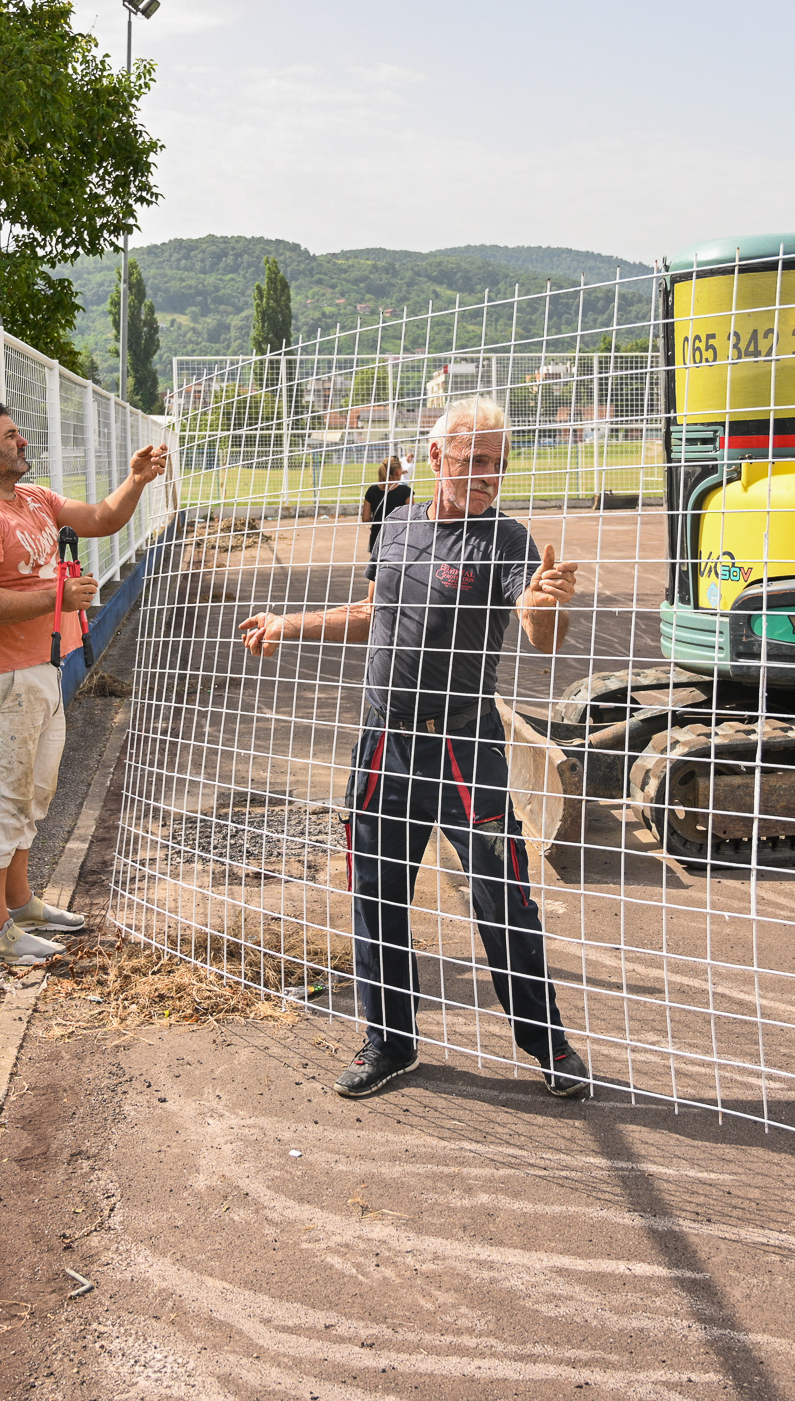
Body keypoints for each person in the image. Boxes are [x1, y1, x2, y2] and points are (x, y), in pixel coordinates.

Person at [238, 397, 588, 1100]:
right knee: (374, 892)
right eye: (475, 461)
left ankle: (546, 1043)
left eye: (499, 464)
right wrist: (288, 622)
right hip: (383, 744)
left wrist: (549, 601)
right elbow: (371, 614)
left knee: (503, 897)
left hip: (463, 747)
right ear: (436, 458)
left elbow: (538, 631)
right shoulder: (395, 525)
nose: (489, 476)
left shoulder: (507, 541)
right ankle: (389, 1041)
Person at [0, 400, 170, 965]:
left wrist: (136, 480)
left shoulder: (32, 499)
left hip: (41, 670)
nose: (21, 442)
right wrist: (56, 597)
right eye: (9, 436)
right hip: (2, 679)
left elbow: (100, 520)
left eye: (17, 433)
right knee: (1, 801)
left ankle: (19, 905)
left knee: (33, 796)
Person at [360, 453, 413, 571]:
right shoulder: (405, 491)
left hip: (377, 536)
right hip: (399, 538)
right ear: (398, 472)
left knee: (375, 573)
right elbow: (413, 516)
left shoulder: (372, 491)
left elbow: (365, 518)